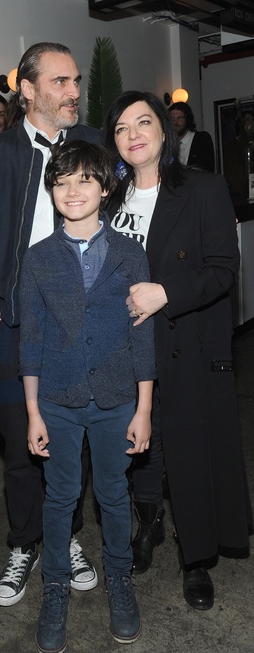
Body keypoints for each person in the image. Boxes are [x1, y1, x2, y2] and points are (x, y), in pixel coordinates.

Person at [0, 42, 103, 606]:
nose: (73, 91)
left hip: (79, 323)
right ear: (28, 89)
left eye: (76, 81)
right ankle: (24, 543)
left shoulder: (92, 144)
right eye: (61, 81)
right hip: (13, 323)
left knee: (73, 440)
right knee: (19, 443)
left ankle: (66, 537)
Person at [104, 90, 252, 610]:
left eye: (143, 122)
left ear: (164, 130)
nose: (133, 135)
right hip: (125, 349)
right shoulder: (109, 199)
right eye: (121, 128)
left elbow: (223, 270)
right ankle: (149, 526)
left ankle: (197, 558)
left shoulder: (202, 188)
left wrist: (165, 292)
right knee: (139, 448)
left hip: (184, 342)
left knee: (190, 452)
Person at [19, 140, 155, 651]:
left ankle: (119, 577)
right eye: (61, 182)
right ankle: (55, 585)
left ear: (104, 187)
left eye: (84, 180)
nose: (72, 191)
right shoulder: (38, 258)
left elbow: (143, 335)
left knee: (115, 495)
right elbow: (30, 340)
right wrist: (33, 412)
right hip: (57, 400)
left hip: (118, 398)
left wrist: (143, 408)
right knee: (60, 497)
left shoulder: (129, 253)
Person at [169, 101, 215, 172]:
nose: (175, 122)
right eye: (172, 118)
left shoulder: (202, 139)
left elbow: (207, 169)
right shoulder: (166, 144)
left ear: (187, 120)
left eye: (179, 118)